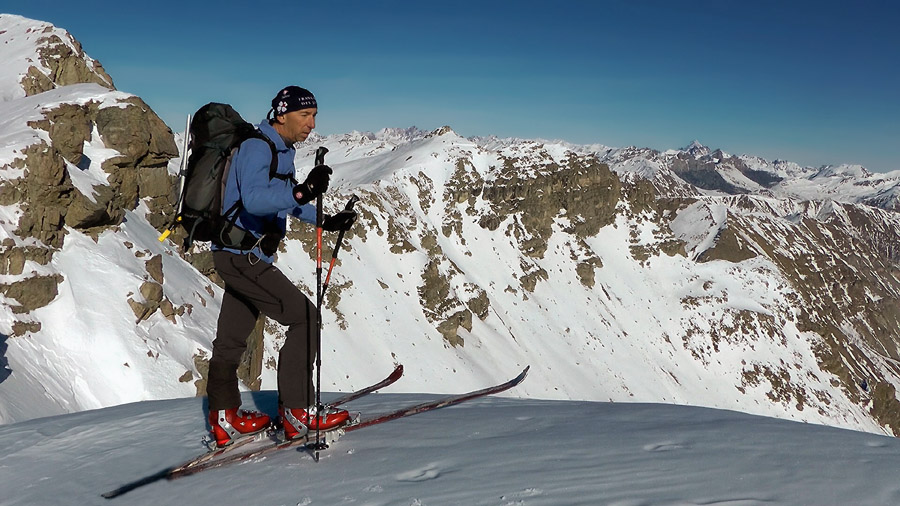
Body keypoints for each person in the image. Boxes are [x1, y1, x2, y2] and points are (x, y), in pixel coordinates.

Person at [206, 85, 357, 447]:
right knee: (306, 319)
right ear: (282, 114)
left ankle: (224, 417)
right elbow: (256, 200)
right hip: (244, 256)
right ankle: (298, 411)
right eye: (305, 115)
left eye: (315, 116)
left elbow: (283, 201)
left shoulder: (280, 150)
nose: (311, 124)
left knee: (230, 339)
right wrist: (303, 191)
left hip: (239, 254)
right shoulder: (258, 147)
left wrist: (324, 219)